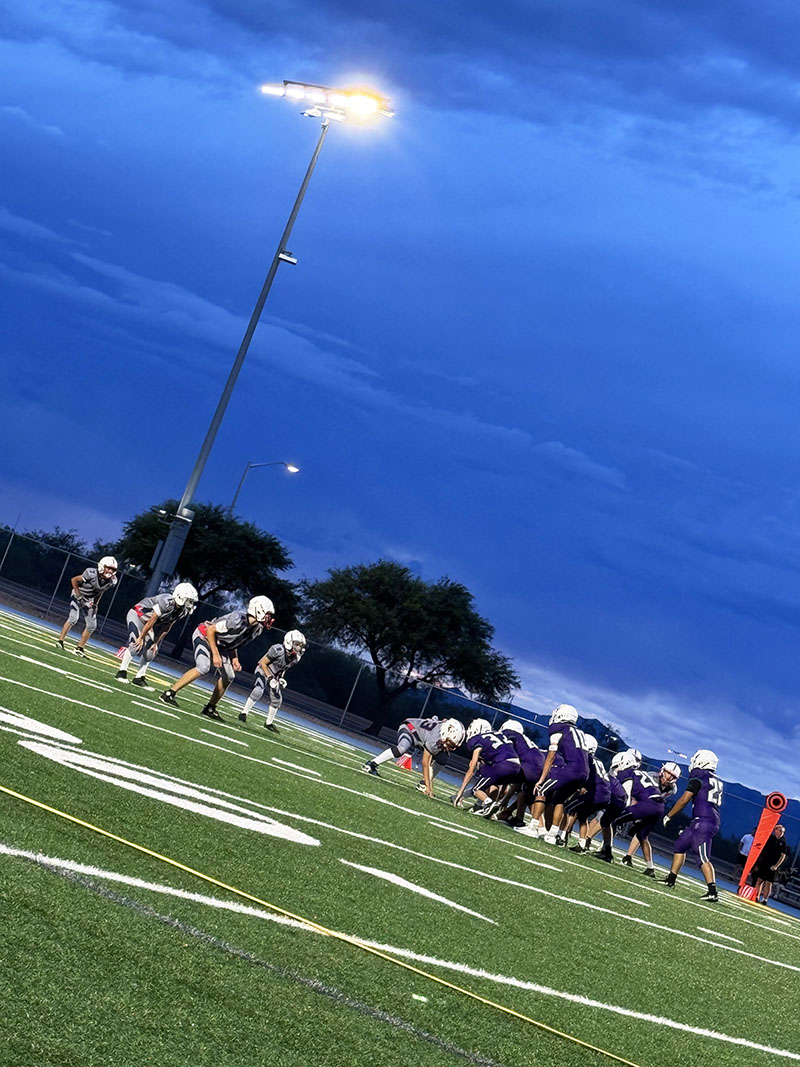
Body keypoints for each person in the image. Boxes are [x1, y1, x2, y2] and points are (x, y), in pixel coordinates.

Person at [159, 595, 275, 720]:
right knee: (203, 667)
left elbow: (233, 642)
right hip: (204, 636)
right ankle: (169, 693)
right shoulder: (236, 619)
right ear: (259, 610)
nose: (269, 618)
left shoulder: (256, 629)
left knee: (229, 676)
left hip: (221, 645)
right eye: (268, 614)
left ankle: (210, 707)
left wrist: (235, 659)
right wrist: (215, 655)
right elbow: (211, 630)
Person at [515, 704, 589, 843]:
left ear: (560, 716)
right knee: (560, 798)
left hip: (571, 768)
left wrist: (541, 778)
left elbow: (551, 756)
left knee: (541, 790)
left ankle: (533, 827)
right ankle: (552, 834)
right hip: (584, 772)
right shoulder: (579, 732)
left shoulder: (559, 728)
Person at [661, 749, 723, 902]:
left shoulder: (699, 777)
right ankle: (671, 879)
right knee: (680, 845)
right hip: (703, 820)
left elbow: (684, 800)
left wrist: (669, 815)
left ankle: (712, 891)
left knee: (702, 857)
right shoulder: (715, 779)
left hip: (704, 821)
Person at [114, 582, 198, 688]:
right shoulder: (166, 602)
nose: (190, 604)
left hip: (149, 622)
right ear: (180, 596)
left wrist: (156, 642)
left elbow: (167, 627)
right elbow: (151, 621)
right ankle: (122, 672)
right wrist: (141, 638)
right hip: (138, 615)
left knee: (151, 652)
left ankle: (139, 677)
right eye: (189, 600)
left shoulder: (183, 611)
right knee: (135, 645)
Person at [361, 717, 466, 796]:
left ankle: (423, 784)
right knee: (402, 748)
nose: (449, 747)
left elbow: (444, 721)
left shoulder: (444, 730)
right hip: (409, 728)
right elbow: (425, 763)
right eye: (449, 743)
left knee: (443, 759)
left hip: (421, 738)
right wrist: (430, 788)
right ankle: (371, 764)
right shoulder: (435, 739)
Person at [620, 760, 681, 874]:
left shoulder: (673, 789)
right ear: (662, 771)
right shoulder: (652, 777)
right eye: (668, 773)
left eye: (672, 776)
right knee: (639, 833)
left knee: (642, 835)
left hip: (653, 808)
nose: (668, 778)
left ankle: (634, 859)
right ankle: (645, 865)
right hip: (640, 801)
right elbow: (638, 792)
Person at [238, 629, 306, 731]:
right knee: (259, 690)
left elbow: (282, 668)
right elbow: (262, 663)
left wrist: (281, 678)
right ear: (289, 642)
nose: (299, 647)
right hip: (263, 670)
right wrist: (270, 678)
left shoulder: (295, 658)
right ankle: (243, 713)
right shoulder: (277, 649)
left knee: (277, 699)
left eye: (300, 645)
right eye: (296, 644)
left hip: (274, 676)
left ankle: (268, 723)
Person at [452, 718, 521, 815]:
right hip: (516, 767)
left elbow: (472, 768)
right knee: (493, 784)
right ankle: (487, 810)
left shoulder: (477, 740)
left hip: (502, 764)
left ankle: (487, 803)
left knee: (477, 789)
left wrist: (460, 792)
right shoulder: (499, 736)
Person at [56, 556, 118, 656]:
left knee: (92, 626)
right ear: (102, 566)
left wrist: (95, 603)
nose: (110, 571)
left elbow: (101, 591)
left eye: (113, 569)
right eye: (108, 568)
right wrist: (78, 595)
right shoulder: (91, 573)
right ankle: (60, 641)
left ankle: (79, 648)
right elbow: (74, 580)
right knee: (73, 618)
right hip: (78, 595)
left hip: (89, 600)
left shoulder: (112, 581)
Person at [564, 735, 611, 852]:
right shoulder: (598, 761)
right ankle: (582, 843)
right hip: (606, 794)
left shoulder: (586, 759)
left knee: (567, 808)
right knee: (582, 815)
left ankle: (562, 835)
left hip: (596, 793)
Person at [753, 825, 789, 905]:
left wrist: (776, 865)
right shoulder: (771, 838)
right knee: (759, 880)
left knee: (769, 882)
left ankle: (765, 899)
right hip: (765, 862)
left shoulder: (783, 842)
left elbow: (783, 855)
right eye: (775, 830)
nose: (776, 831)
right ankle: (756, 896)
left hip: (772, 865)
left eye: (778, 830)